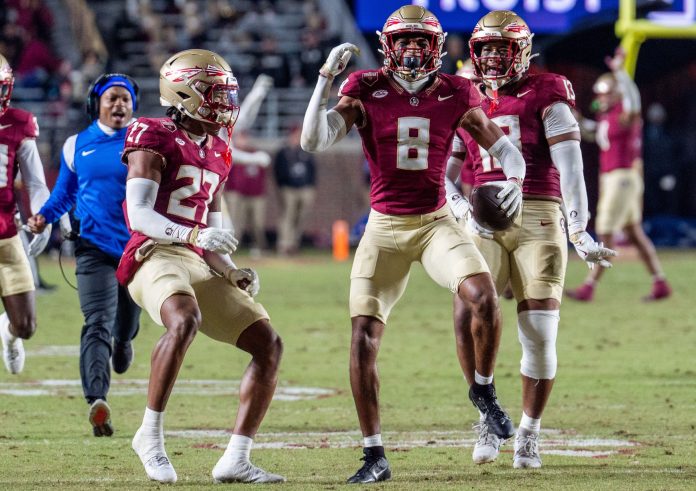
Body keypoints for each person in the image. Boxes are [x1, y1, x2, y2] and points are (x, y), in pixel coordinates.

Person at [302, 6, 527, 483]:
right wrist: (325, 79)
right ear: (387, 46)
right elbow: (313, 142)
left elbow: (503, 147)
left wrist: (515, 181)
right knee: (363, 337)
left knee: (483, 297)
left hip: (435, 223)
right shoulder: (363, 87)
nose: (411, 50)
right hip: (383, 228)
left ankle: (483, 392)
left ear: (436, 47)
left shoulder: (456, 90)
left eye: (420, 41)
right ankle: (373, 454)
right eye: (403, 40)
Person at [444, 11, 617, 469]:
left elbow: (572, 165)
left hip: (539, 211)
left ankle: (528, 433)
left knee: (539, 334)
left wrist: (578, 227)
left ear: (522, 51)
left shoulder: (548, 91)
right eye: (487, 49)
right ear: (475, 54)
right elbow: (443, 171)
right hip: (483, 218)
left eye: (504, 48)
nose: (494, 57)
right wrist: (459, 207)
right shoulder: (464, 97)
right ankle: (487, 412)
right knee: (467, 311)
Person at [116, 49, 284, 484]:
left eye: (227, 93)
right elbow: (138, 213)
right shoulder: (154, 134)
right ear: (184, 93)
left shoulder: (220, 146)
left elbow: (212, 222)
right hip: (153, 253)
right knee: (184, 320)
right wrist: (192, 236)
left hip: (196, 258)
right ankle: (149, 436)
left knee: (268, 344)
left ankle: (235, 458)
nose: (225, 103)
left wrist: (230, 269)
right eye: (215, 93)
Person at [27, 73, 142, 437]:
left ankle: (124, 342)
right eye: (112, 98)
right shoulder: (77, 144)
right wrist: (44, 215)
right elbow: (65, 191)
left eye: (125, 98)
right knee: (97, 322)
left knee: (125, 325)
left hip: (137, 247)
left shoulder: (146, 140)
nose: (119, 104)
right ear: (97, 104)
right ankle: (97, 400)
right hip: (91, 246)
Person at [566, 48, 671, 302]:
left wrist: (621, 73)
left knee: (606, 231)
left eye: (606, 93)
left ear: (617, 93)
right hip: (619, 178)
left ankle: (588, 287)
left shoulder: (627, 113)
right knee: (633, 231)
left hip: (621, 177)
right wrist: (577, 120)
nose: (601, 98)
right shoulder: (608, 116)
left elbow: (634, 100)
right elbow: (595, 133)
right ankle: (660, 282)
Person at [0, 53, 52, 375]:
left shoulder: (18, 123)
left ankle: (7, 335)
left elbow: (35, 182)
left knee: (26, 325)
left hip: (6, 234)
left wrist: (43, 218)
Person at [274, 124, 316, 255]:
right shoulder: (283, 152)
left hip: (304, 188)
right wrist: (282, 186)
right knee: (288, 215)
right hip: (288, 188)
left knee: (300, 216)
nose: (297, 137)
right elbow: (278, 171)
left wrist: (312, 186)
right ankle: (284, 244)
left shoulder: (305, 151)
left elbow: (313, 170)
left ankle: (294, 243)